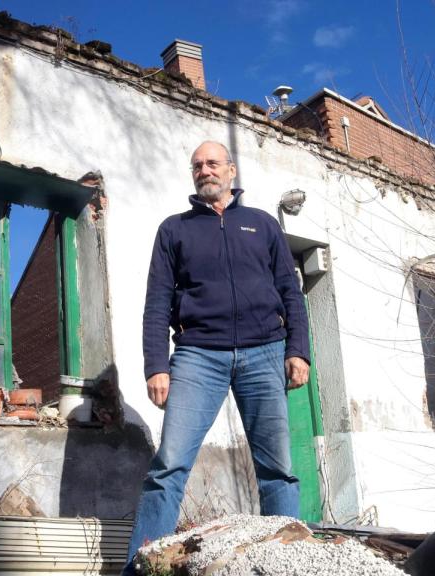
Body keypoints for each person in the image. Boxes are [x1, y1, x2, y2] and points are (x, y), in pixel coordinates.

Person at [123, 140, 311, 574]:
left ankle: (285, 565)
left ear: (231, 172)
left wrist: (297, 350)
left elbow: (291, 293)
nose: (204, 170)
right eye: (197, 166)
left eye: (212, 163)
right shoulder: (175, 230)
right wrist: (156, 364)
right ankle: (139, 569)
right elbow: (157, 302)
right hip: (196, 355)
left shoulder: (262, 225)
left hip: (265, 351)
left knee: (278, 469)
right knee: (168, 466)